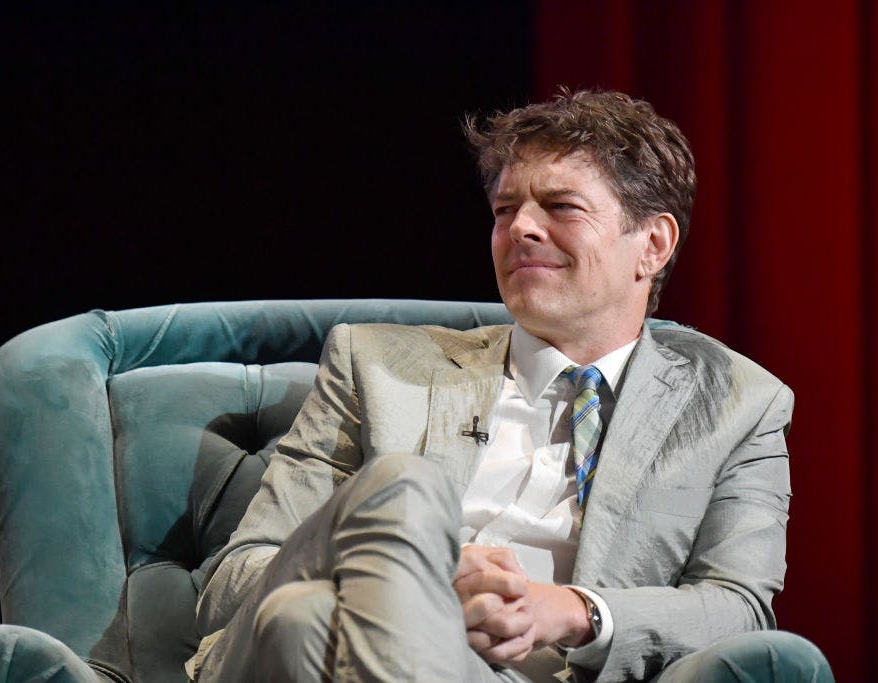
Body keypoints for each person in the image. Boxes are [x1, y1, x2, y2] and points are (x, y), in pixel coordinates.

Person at [188, 89, 833, 682]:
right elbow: (233, 582)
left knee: (303, 621)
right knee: (401, 493)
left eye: (560, 207)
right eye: (505, 209)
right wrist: (413, 573)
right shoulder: (374, 364)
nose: (520, 227)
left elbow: (737, 606)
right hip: (325, 646)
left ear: (653, 244)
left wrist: (573, 610)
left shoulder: (738, 405)